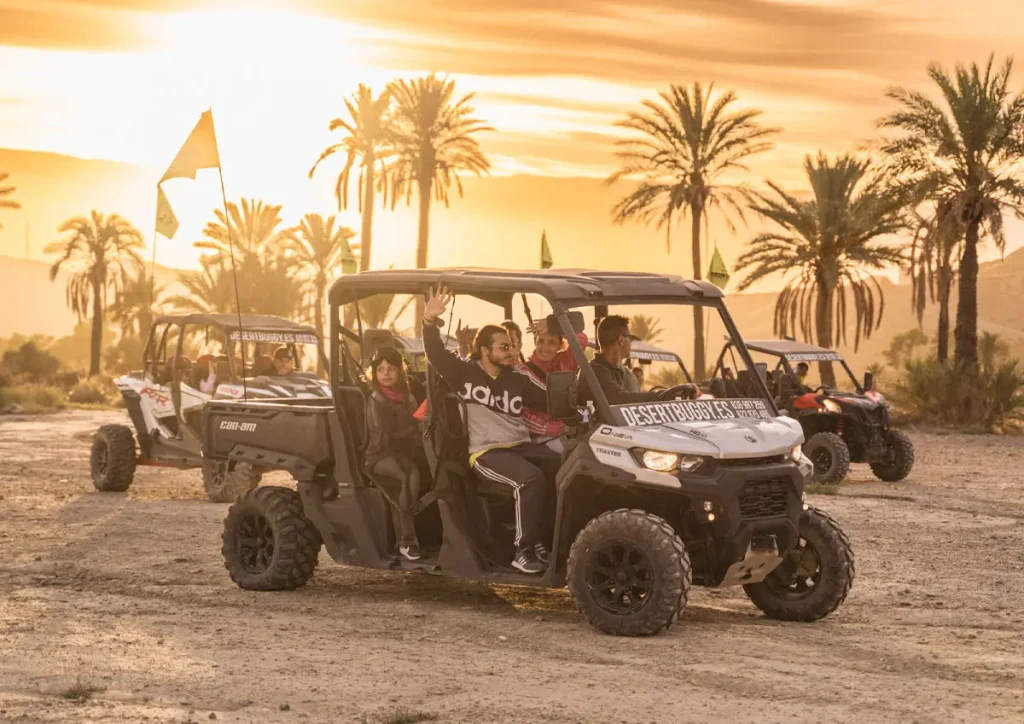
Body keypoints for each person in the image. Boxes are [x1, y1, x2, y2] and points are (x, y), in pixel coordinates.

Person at [423, 286, 558, 574]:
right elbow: (434, 352)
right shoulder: (464, 372)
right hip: (485, 453)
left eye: (512, 345)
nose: (512, 351)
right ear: (485, 350)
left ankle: (545, 541)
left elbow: (550, 400)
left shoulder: (517, 376)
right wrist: (429, 322)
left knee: (565, 467)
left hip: (520, 446)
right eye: (504, 347)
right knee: (530, 480)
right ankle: (523, 551)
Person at [364, 347, 428, 561]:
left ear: (401, 371)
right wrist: (413, 428)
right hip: (379, 456)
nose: (386, 373)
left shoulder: (407, 397)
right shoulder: (376, 400)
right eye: (380, 369)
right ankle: (406, 539)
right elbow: (382, 440)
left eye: (391, 368)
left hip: (405, 451)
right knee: (408, 475)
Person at [578, 315, 662, 405]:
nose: (631, 343)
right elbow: (619, 398)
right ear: (621, 340)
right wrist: (662, 395)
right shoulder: (593, 371)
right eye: (630, 338)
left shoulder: (628, 374)